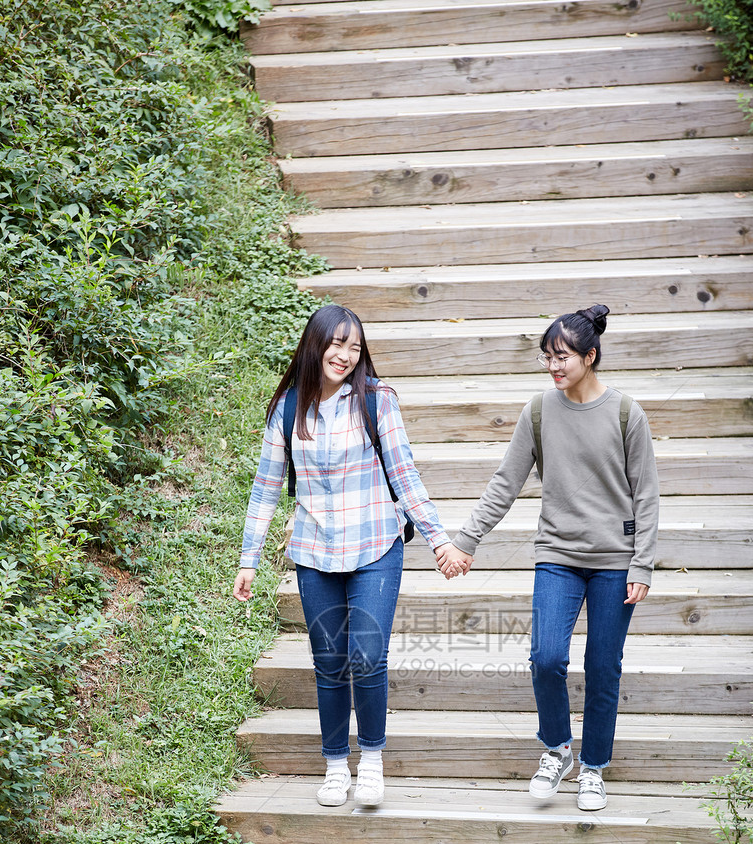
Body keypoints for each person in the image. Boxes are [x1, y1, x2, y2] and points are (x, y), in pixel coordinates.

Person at [437, 304, 659, 811]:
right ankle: (557, 750)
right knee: (546, 657)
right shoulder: (539, 411)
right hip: (557, 555)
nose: (554, 366)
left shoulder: (627, 413)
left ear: (590, 356)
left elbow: (646, 495)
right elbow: (505, 482)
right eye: (547, 357)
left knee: (604, 667)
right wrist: (465, 541)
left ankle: (594, 768)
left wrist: (642, 563)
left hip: (614, 561)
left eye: (562, 357)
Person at [233, 304, 451, 808]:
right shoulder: (289, 409)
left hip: (376, 543)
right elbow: (265, 489)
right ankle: (336, 764)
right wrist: (249, 558)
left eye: (355, 347)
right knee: (329, 662)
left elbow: (405, 475)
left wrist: (439, 538)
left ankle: (371, 762)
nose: (347, 356)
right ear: (317, 344)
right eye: (338, 344)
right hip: (314, 550)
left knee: (367, 657)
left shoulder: (377, 401)